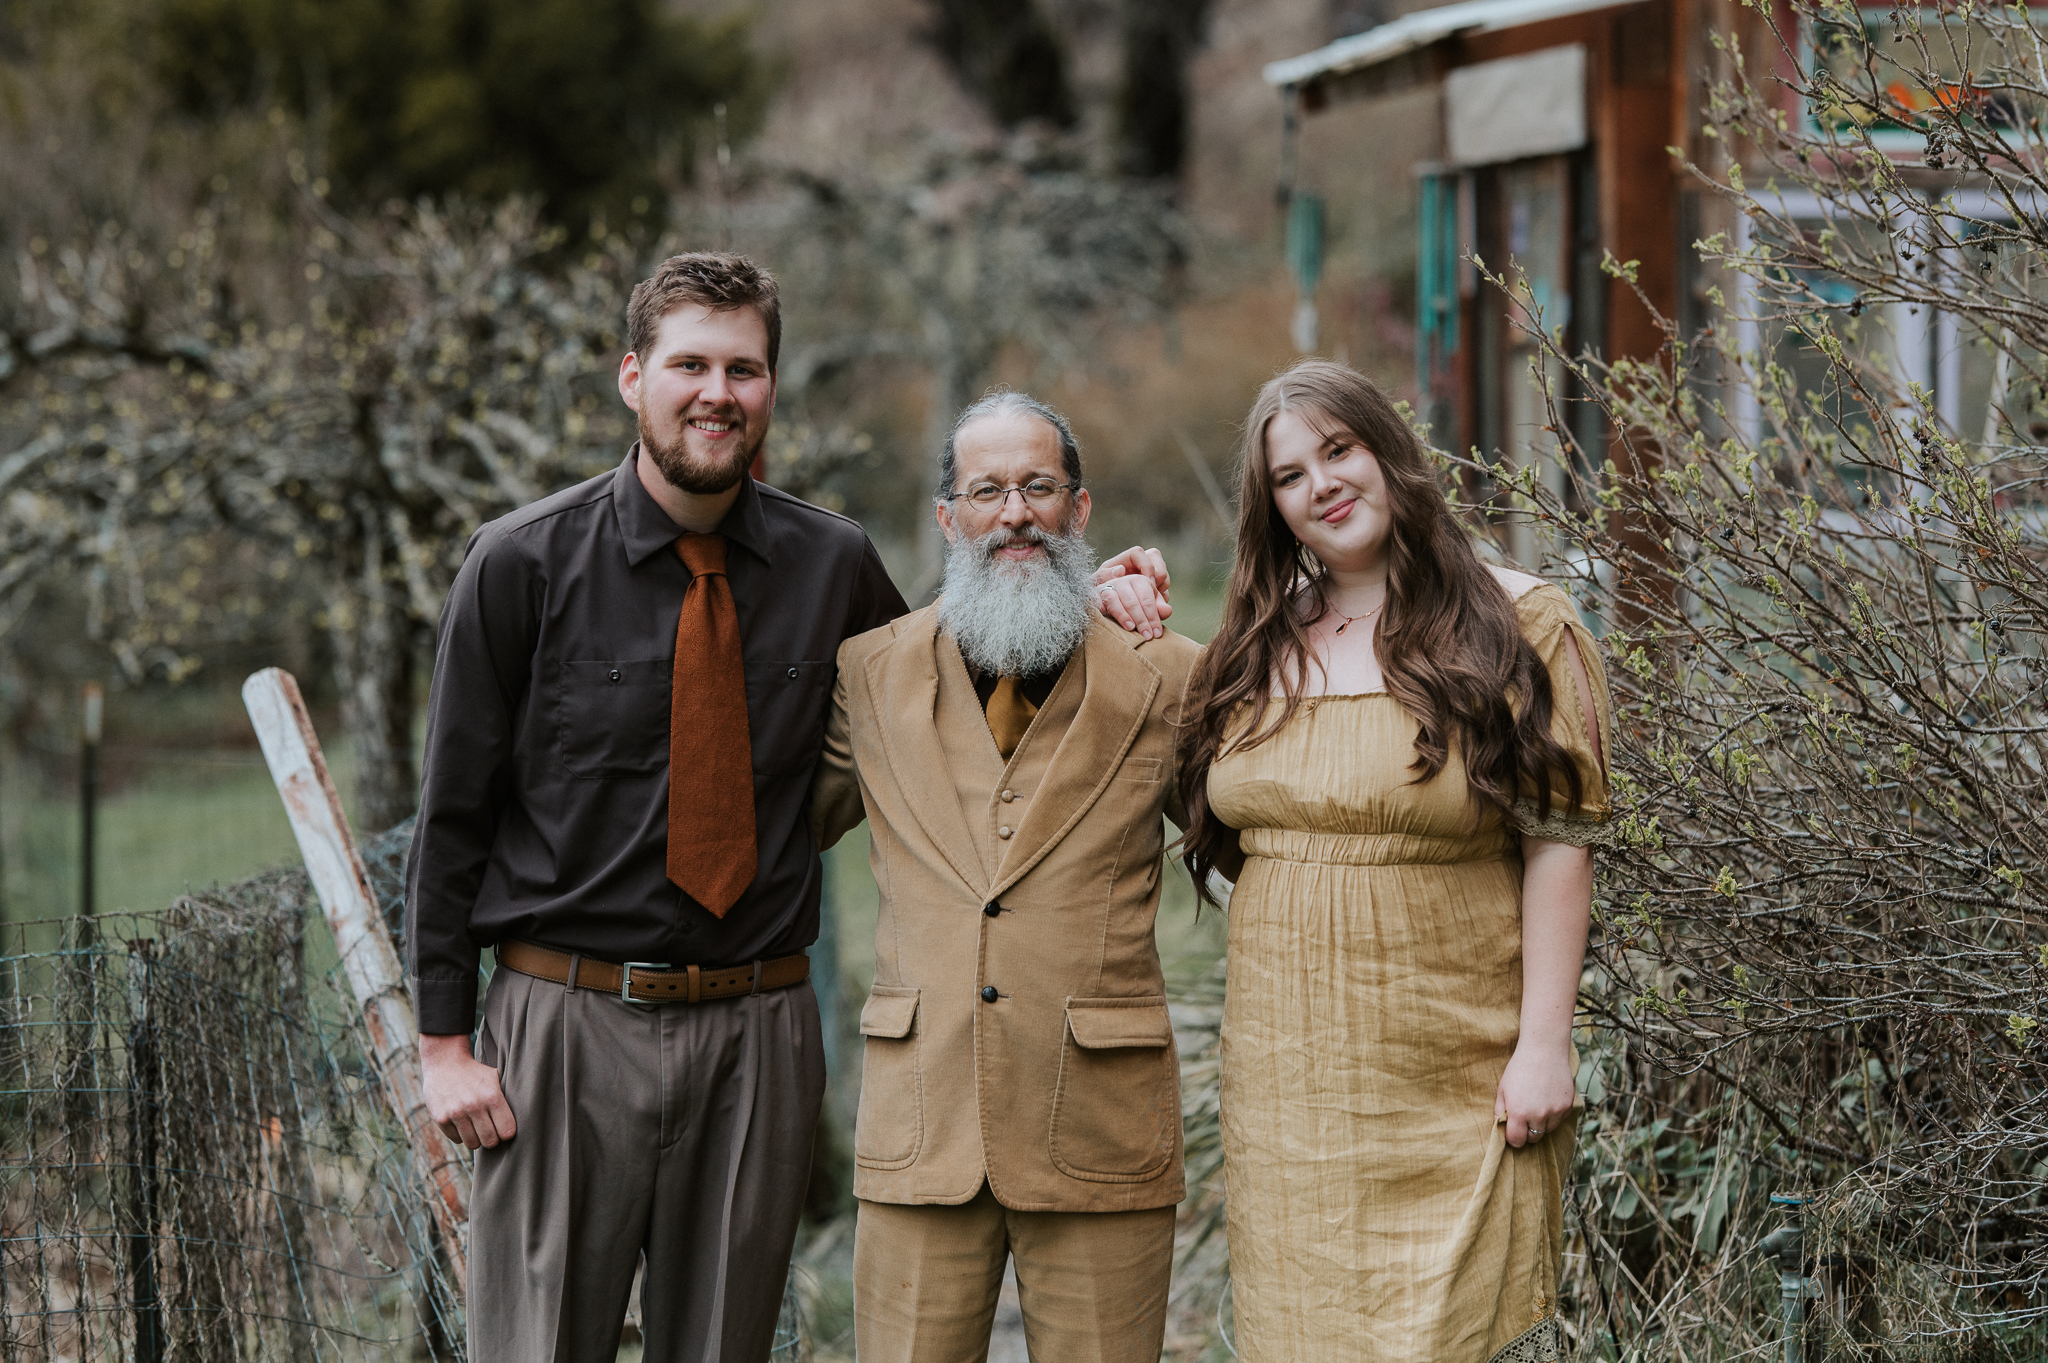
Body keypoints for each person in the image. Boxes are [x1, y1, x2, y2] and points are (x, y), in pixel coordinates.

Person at [404, 255, 1171, 1363]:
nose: (716, 392)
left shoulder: (832, 563)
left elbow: (945, 688)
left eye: (743, 368)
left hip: (755, 1031)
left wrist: (1076, 591)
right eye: (690, 365)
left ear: (770, 386)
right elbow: (452, 816)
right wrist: (442, 1044)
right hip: (565, 1025)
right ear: (633, 377)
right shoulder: (519, 563)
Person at [1174, 359, 1611, 1363]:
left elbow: (1559, 841)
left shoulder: (1517, 622)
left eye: (1338, 451)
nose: (1321, 485)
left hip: (1459, 1074)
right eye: (1289, 475)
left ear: (1388, 451)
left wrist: (1544, 1045)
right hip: (1287, 1091)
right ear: (1271, 506)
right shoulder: (1252, 644)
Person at [811, 390, 1201, 1363]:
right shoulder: (865, 674)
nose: (1015, 513)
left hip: (1101, 1125)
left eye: (1038, 487)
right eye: (987, 491)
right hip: (920, 1121)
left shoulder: (1168, 675)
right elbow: (783, 823)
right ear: (948, 518)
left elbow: (1259, 834)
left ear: (1079, 508)